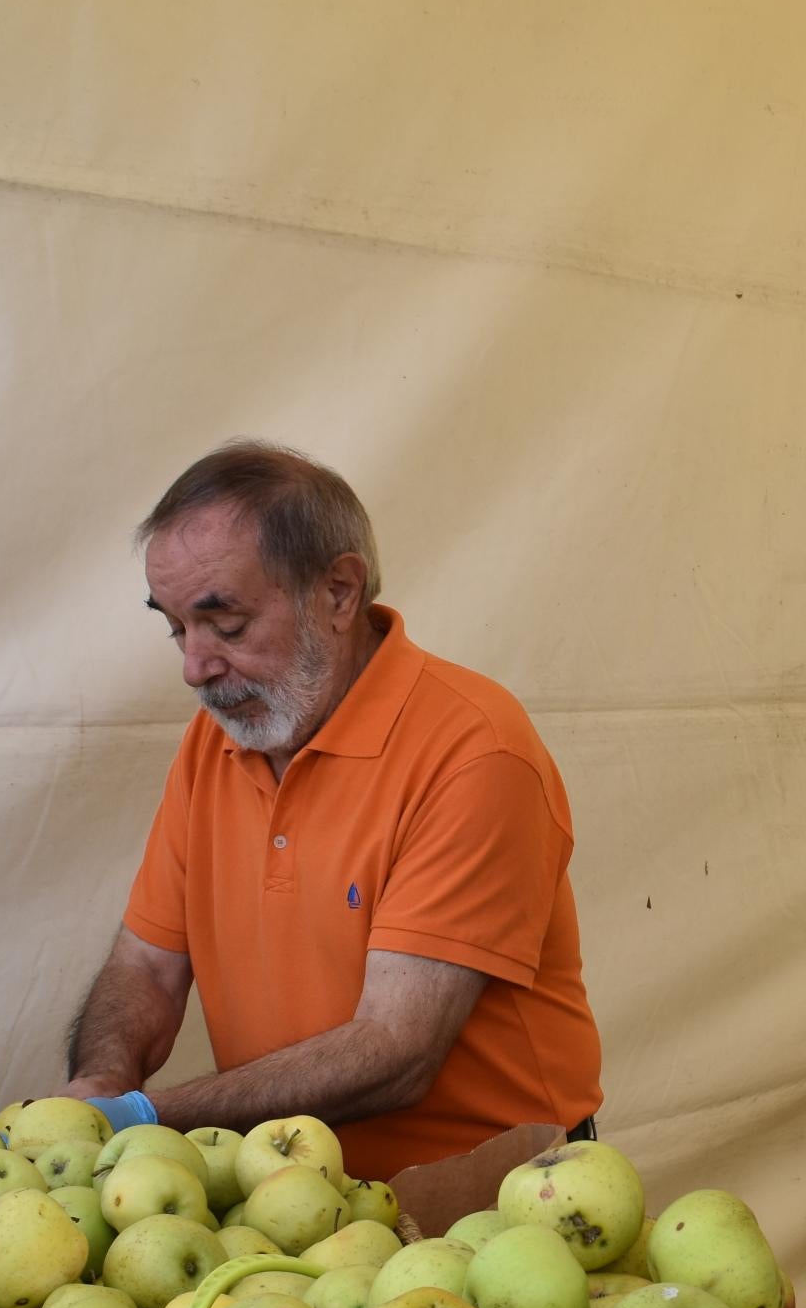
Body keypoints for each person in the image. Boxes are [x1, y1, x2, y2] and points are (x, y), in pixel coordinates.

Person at [61, 442, 605, 1176]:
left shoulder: (474, 748)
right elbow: (148, 967)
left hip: (501, 1190)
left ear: (340, 593)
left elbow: (397, 1050)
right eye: (176, 628)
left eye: (227, 626)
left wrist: (145, 1118)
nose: (194, 667)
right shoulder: (214, 742)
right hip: (294, 1182)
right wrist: (100, 1083)